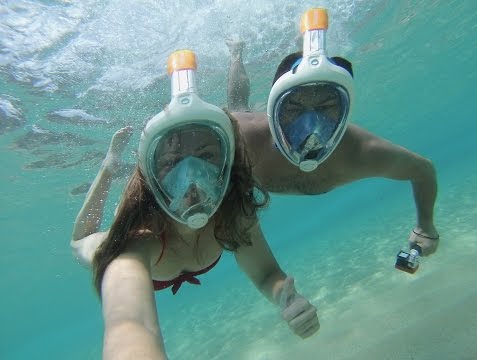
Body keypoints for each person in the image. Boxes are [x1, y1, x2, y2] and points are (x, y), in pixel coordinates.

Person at [71, 50, 319, 360]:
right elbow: (131, 326)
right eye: (173, 161)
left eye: (205, 157)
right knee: (80, 242)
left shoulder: (232, 215)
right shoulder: (137, 243)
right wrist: (110, 168)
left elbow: (267, 273)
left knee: (239, 111)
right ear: (152, 177)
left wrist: (284, 296)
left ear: (227, 163)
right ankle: (109, 166)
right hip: (122, 235)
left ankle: (236, 52)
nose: (192, 177)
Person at [226, 8, 439, 256]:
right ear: (274, 110)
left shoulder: (360, 150)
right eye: (294, 109)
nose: (310, 126)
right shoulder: (243, 139)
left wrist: (426, 227)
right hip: (248, 124)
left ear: (344, 111)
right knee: (237, 107)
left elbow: (423, 170)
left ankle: (302, 52)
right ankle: (236, 53)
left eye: (326, 108)